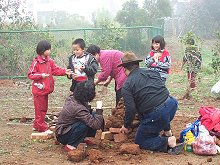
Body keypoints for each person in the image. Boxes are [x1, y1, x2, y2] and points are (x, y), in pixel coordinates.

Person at [119, 51, 184, 154]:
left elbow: (131, 109)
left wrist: (126, 126)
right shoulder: (152, 72)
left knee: (141, 141)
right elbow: (158, 94)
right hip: (172, 104)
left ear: (124, 69)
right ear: (137, 64)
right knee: (161, 109)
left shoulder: (127, 85)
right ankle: (167, 132)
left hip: (157, 113)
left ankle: (168, 141)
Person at [27, 40, 72, 133]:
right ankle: (42, 128)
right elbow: (30, 74)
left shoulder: (49, 61)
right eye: (48, 49)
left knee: (42, 108)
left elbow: (55, 70)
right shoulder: (36, 62)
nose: (50, 51)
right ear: (43, 50)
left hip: (45, 90)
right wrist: (40, 75)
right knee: (40, 109)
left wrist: (65, 71)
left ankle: (36, 125)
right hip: (39, 90)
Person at [55, 81, 104, 151]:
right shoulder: (78, 108)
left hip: (67, 129)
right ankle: (71, 145)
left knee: (92, 114)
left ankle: (82, 138)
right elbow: (96, 125)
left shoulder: (73, 98)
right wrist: (99, 109)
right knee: (84, 124)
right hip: (63, 135)